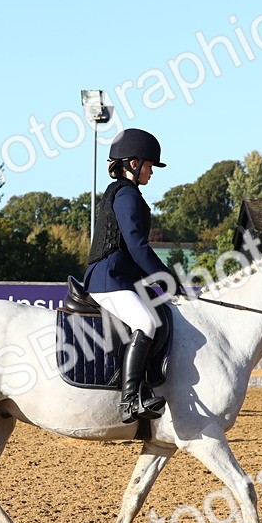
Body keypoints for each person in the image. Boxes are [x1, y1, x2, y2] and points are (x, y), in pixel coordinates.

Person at [82, 128, 183, 423]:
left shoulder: (127, 193)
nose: (151, 172)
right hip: (108, 278)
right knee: (146, 321)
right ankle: (129, 401)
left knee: (158, 315)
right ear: (133, 163)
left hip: (120, 277)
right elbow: (138, 247)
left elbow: (134, 252)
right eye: (150, 166)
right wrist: (167, 278)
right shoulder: (125, 195)